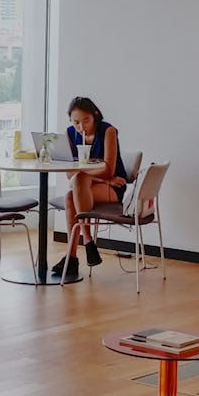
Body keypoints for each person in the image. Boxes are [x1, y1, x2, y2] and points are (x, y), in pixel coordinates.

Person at [57, 97, 127, 279]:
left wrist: (101, 179)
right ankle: (83, 247)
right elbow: (70, 174)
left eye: (86, 121)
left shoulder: (108, 131)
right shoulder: (70, 134)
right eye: (76, 122)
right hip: (100, 185)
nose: (81, 127)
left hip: (114, 190)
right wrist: (104, 180)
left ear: (95, 115)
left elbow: (108, 169)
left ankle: (81, 247)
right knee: (71, 194)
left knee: (76, 187)